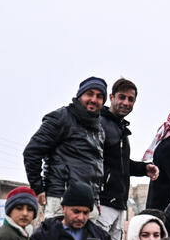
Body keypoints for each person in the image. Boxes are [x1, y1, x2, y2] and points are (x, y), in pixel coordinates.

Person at [23, 77, 107, 218]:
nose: (94, 99)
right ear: (80, 95)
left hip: (88, 203)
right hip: (62, 199)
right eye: (89, 94)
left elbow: (96, 167)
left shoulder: (99, 129)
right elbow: (32, 152)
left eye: (99, 96)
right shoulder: (61, 117)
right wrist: (38, 188)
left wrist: (95, 197)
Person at [97, 78, 159, 240]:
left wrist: (144, 168)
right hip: (103, 202)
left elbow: (120, 163)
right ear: (111, 97)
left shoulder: (120, 128)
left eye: (130, 99)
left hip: (119, 203)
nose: (126, 103)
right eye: (122, 97)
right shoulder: (99, 124)